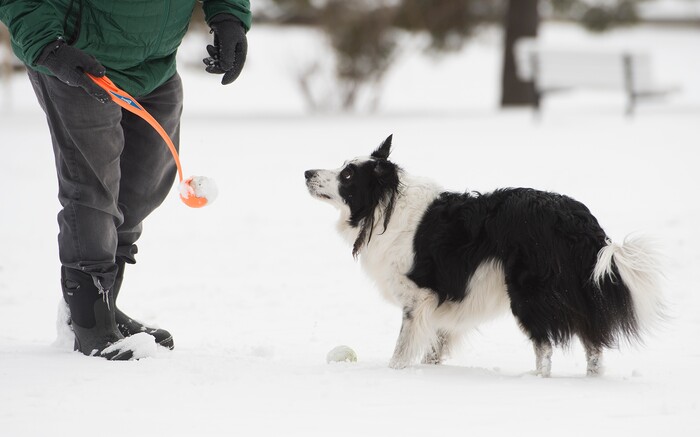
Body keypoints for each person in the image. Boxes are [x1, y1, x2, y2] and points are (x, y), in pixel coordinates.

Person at [0, 1, 251, 360]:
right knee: (93, 187)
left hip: (155, 64)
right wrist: (46, 45)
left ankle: (107, 305)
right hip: (77, 58)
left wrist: (228, 17)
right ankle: (90, 319)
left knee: (145, 182)